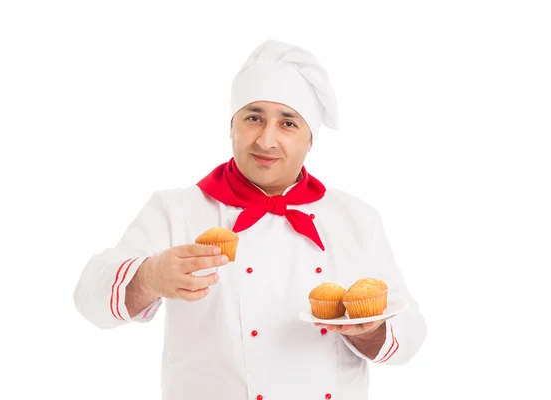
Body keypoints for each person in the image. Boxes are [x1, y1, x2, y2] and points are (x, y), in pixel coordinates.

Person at [74, 39, 427, 400]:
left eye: (288, 123)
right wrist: (148, 277)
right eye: (253, 117)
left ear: (311, 140)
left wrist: (369, 331)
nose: (267, 140)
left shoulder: (355, 219)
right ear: (232, 126)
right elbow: (89, 300)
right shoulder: (175, 210)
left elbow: (410, 333)